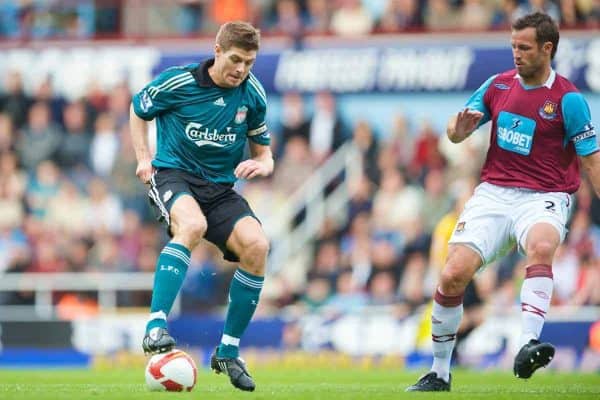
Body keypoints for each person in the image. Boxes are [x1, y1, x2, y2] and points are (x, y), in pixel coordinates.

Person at [407, 12, 600, 392]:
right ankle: (439, 372)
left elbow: (591, 160)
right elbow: (457, 127)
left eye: (524, 47)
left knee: (542, 245)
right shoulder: (497, 86)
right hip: (494, 193)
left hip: (545, 195)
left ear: (548, 49)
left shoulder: (568, 100)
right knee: (451, 274)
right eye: (513, 46)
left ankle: (529, 342)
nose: (516, 54)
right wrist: (456, 131)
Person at [129, 21, 273, 392]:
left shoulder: (253, 94)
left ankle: (228, 351)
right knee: (190, 225)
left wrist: (264, 163)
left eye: (250, 63)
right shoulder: (178, 82)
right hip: (174, 175)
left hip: (221, 190)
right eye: (237, 59)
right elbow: (138, 108)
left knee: (258, 246)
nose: (242, 69)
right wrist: (144, 158)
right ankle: (156, 325)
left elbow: (264, 150)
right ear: (218, 51)